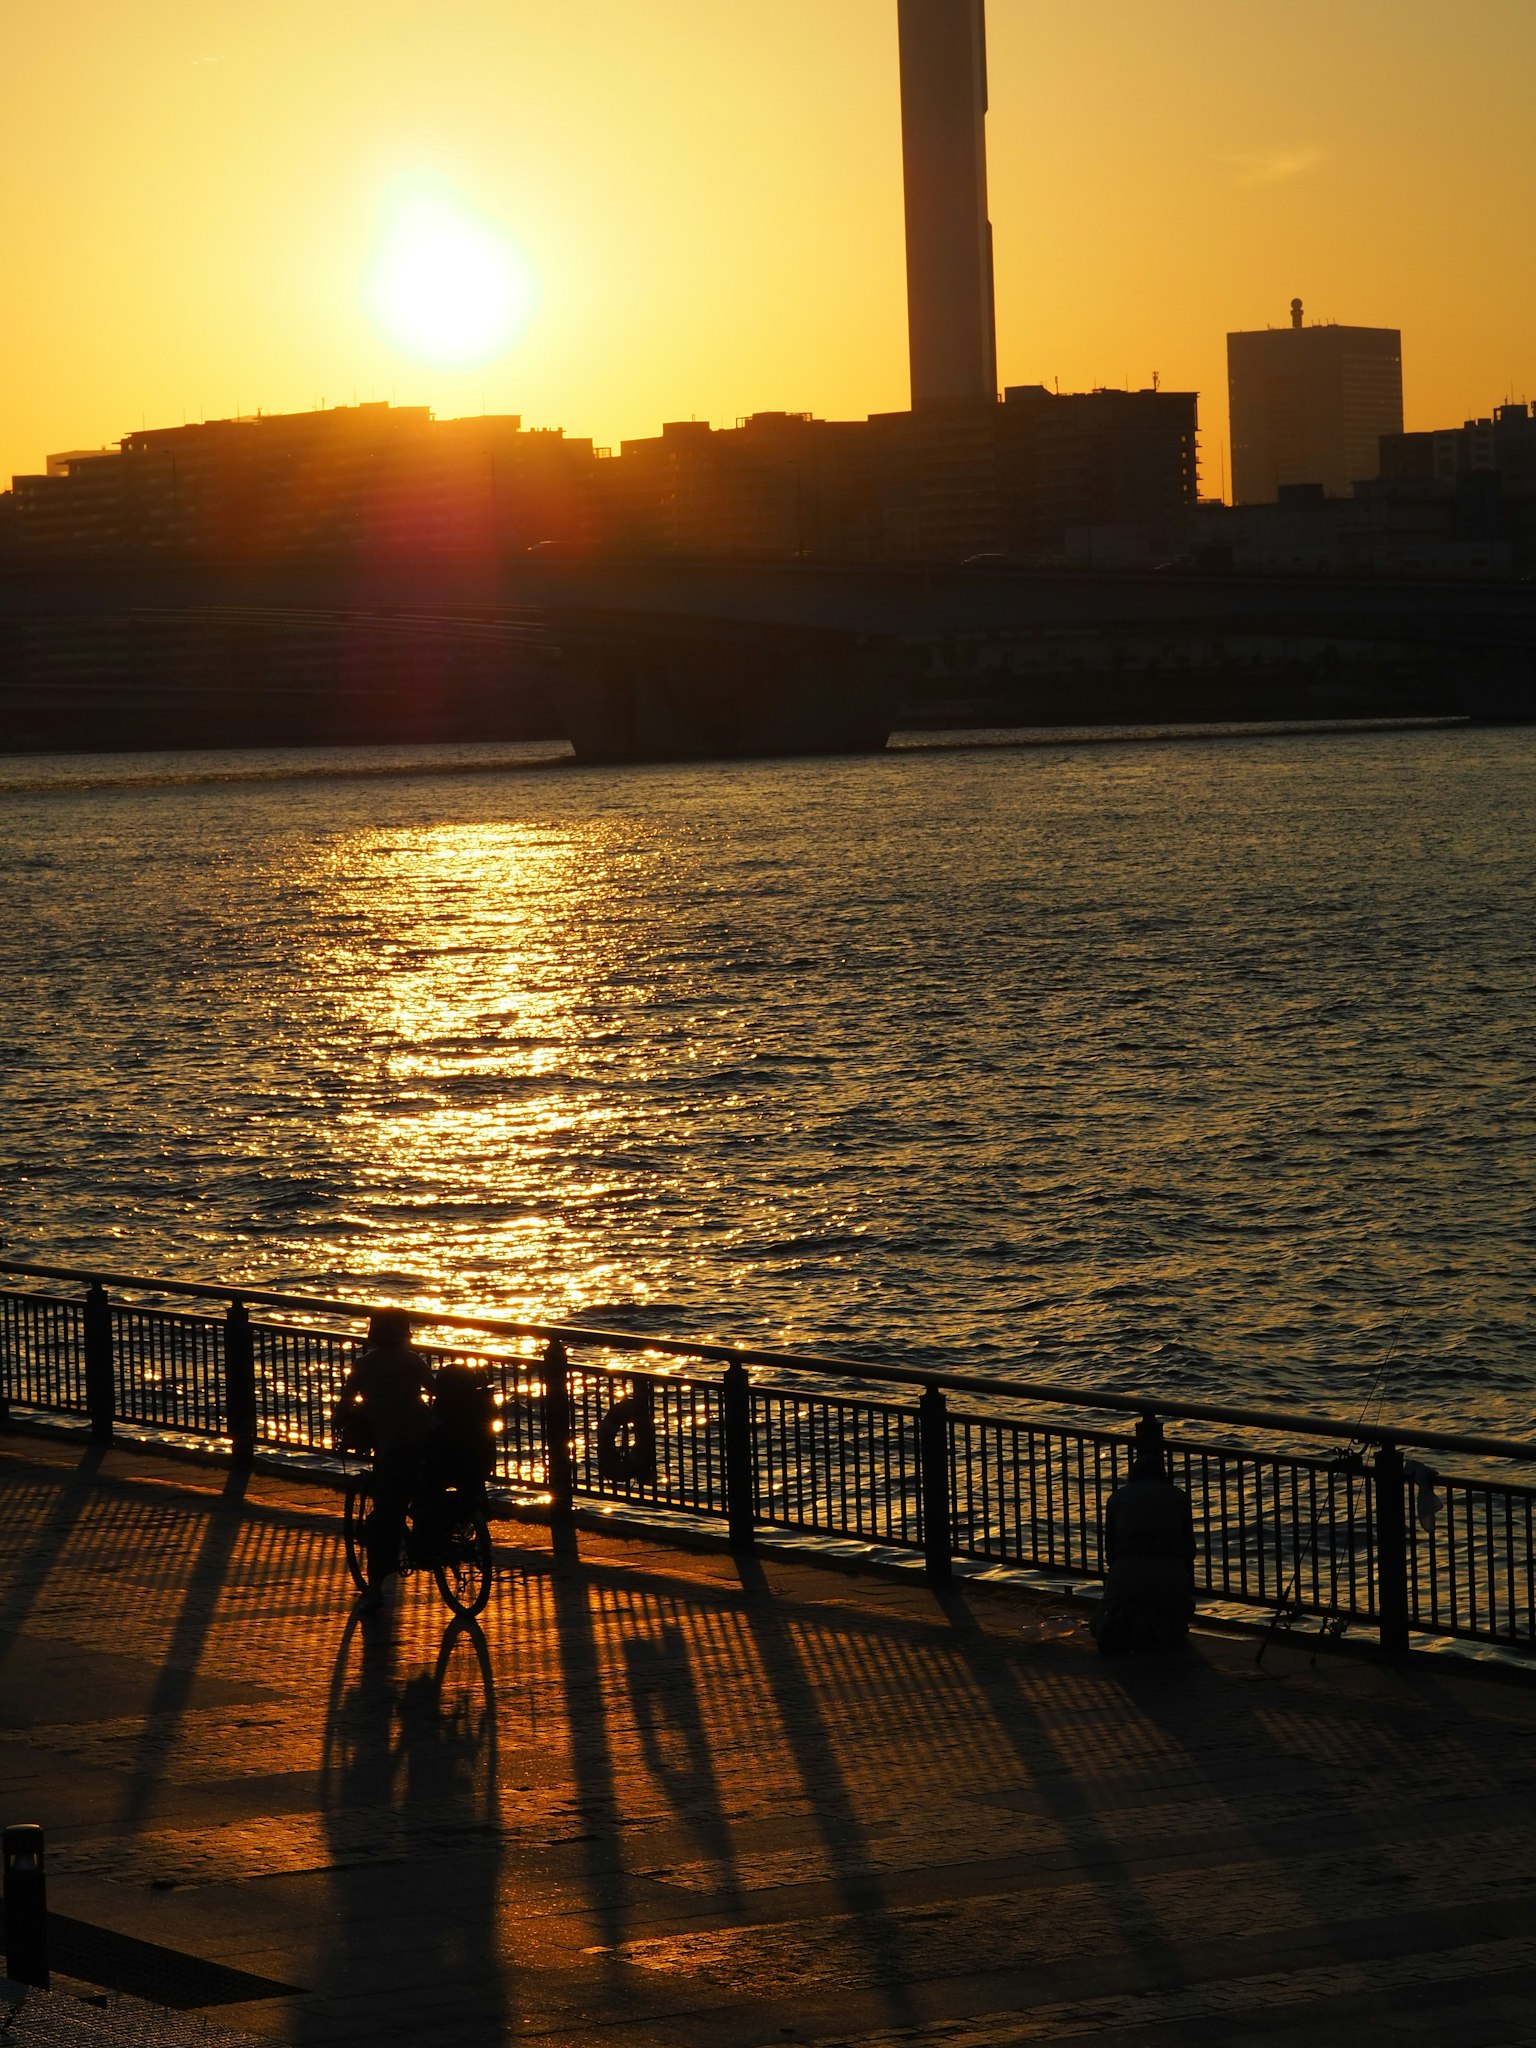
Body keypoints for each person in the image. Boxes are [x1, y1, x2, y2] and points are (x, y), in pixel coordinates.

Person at [336, 1309, 435, 1612]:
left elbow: (346, 1402)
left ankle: (375, 1589)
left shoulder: (363, 1365)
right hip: (425, 1434)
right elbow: (435, 1390)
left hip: (390, 1443)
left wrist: (343, 1420)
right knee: (426, 1490)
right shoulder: (413, 1360)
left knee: (385, 1517)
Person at [1091, 1420, 1196, 1655]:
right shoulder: (1178, 1496)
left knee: (1100, 1623)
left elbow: (1111, 1550)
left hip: (1126, 1572)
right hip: (1170, 1572)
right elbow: (1189, 1547)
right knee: (1174, 1622)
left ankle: (1132, 1626)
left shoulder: (1117, 1498)